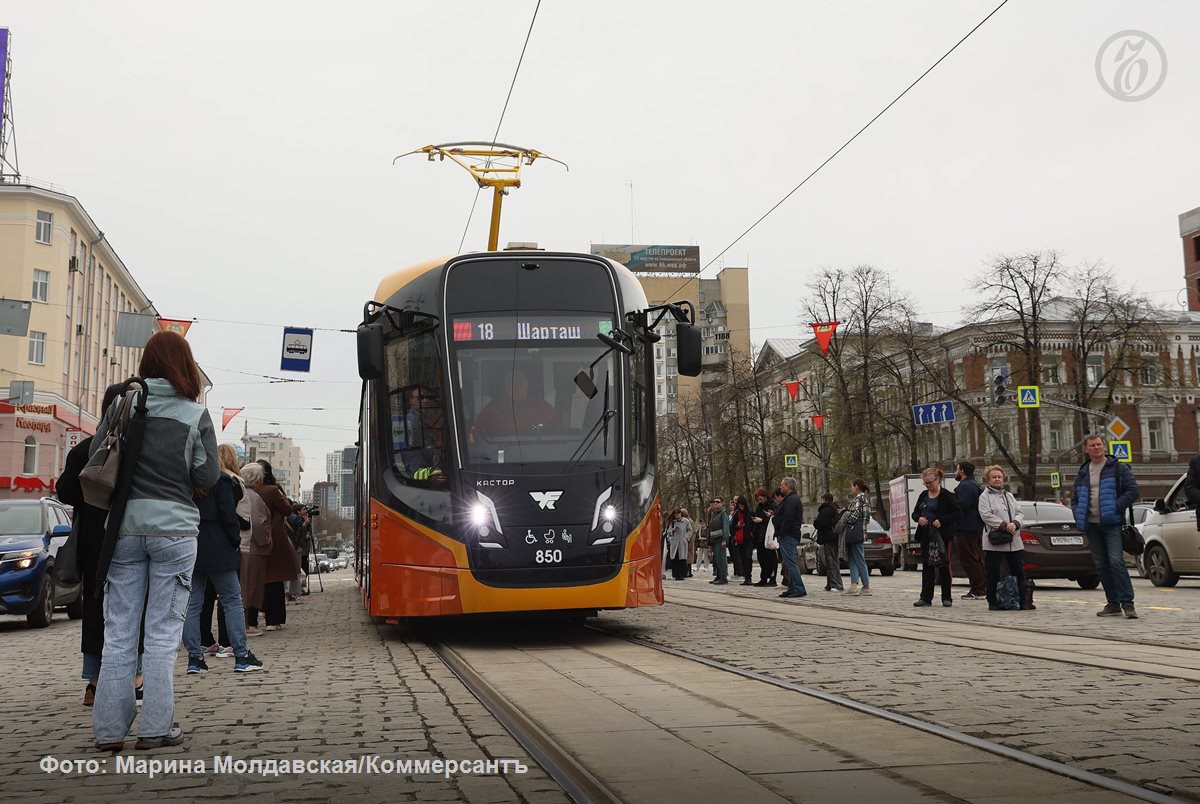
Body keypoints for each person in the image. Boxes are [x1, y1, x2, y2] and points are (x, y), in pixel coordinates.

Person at [92, 330, 218, 751]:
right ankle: (155, 729)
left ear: (147, 362)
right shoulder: (193, 414)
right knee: (163, 635)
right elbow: (206, 476)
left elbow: (99, 456)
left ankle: (109, 732)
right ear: (185, 366)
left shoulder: (120, 406)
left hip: (124, 529)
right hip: (175, 531)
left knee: (119, 632)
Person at [56, 383, 143, 707]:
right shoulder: (139, 449)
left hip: (94, 538)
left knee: (95, 608)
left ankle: (93, 682)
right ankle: (135, 676)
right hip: (129, 533)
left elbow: (65, 492)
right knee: (134, 605)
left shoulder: (87, 449)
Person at [183, 448, 263, 675]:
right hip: (219, 546)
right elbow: (228, 515)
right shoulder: (222, 481)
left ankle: (195, 658)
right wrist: (234, 540)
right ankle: (241, 655)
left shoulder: (187, 482)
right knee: (231, 601)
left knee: (192, 603)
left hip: (192, 545)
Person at [1073, 434, 1139, 619]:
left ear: (1104, 446)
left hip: (1111, 524)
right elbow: (1075, 497)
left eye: (1099, 444)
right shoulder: (1084, 471)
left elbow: (1133, 491)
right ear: (1086, 449)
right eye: (1092, 445)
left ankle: (1128, 604)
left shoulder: (1118, 468)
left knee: (1116, 562)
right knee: (1102, 566)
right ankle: (1113, 603)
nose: (1096, 448)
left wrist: (1115, 507)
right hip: (1091, 525)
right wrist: (1077, 511)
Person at [256, 459, 301, 631]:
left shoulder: (250, 490)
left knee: (261, 577)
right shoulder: (273, 490)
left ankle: (259, 614)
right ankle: (274, 619)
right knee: (275, 578)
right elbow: (287, 510)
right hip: (275, 536)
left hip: (254, 536)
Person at [978, 465, 1026, 610]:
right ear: (988, 480)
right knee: (993, 572)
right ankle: (993, 601)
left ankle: (1022, 599)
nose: (997, 479)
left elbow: (1019, 511)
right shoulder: (984, 497)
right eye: (994, 477)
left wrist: (1015, 523)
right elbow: (986, 515)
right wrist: (1004, 525)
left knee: (1018, 570)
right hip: (996, 539)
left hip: (1013, 539)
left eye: (999, 477)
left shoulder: (1009, 495)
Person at [912, 467, 961, 608]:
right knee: (927, 566)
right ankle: (925, 597)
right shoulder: (923, 495)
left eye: (930, 482)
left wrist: (942, 520)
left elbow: (957, 513)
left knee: (943, 565)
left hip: (942, 535)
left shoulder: (946, 496)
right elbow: (915, 513)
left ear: (938, 480)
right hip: (926, 534)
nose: (928, 485)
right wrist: (919, 518)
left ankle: (947, 597)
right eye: (925, 483)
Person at [239, 462, 272, 637]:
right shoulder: (254, 497)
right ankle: (249, 624)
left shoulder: (242, 493)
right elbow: (259, 523)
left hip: (245, 546)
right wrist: (265, 540)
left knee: (245, 585)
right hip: (253, 548)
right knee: (252, 587)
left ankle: (246, 622)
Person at [473, 368, 559, 435]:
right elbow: (477, 436)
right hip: (501, 454)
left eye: (520, 382)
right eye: (513, 383)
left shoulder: (543, 407)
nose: (517, 387)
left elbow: (559, 435)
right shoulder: (493, 409)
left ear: (527, 384)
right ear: (506, 386)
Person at [954, 462, 987, 600]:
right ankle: (979, 588)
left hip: (967, 527)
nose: (956, 472)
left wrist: (951, 502)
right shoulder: (974, 484)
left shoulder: (966, 486)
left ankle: (978, 589)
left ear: (961, 471)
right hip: (974, 527)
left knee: (970, 559)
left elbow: (961, 506)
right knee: (975, 558)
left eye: (957, 469)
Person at [774, 477, 807, 599]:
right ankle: (792, 587)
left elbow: (788, 518)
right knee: (788, 563)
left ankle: (799, 588)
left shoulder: (791, 500)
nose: (780, 487)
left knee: (790, 563)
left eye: (782, 485)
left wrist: (782, 532)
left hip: (789, 535)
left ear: (788, 486)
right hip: (787, 534)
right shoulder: (789, 499)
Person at [844, 481, 872, 596]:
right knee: (853, 559)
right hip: (858, 533)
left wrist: (845, 516)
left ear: (856, 487)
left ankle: (866, 586)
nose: (851, 488)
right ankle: (854, 585)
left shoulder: (860, 499)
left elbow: (854, 516)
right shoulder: (863, 499)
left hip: (855, 533)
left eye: (852, 486)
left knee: (859, 559)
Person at [813, 493, 843, 592]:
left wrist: (816, 522)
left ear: (824, 499)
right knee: (833, 561)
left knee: (831, 562)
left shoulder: (826, 509)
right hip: (835, 537)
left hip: (829, 537)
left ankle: (835, 584)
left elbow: (820, 523)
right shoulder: (835, 508)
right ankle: (830, 584)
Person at [751, 487, 778, 586]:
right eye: (758, 499)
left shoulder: (772, 505)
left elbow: (773, 519)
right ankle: (763, 577)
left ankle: (772, 578)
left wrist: (762, 520)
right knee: (762, 559)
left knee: (771, 559)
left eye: (761, 499)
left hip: (768, 536)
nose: (760, 501)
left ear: (765, 497)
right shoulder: (759, 507)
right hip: (760, 536)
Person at [730, 496, 756, 585]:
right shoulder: (736, 515)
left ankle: (749, 577)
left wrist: (752, 532)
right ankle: (746, 577)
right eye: (739, 505)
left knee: (748, 557)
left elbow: (754, 524)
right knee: (743, 558)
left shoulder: (750, 513)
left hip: (748, 539)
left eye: (742, 504)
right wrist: (737, 526)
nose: (741, 506)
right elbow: (732, 527)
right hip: (740, 539)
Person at [705, 498, 730, 585]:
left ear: (722, 503)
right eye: (714, 502)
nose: (715, 503)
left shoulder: (723, 514)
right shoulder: (713, 514)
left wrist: (724, 539)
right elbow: (710, 526)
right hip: (714, 539)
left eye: (718, 502)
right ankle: (719, 576)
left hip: (720, 539)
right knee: (716, 559)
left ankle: (723, 577)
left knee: (721, 558)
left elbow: (725, 527)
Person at [665, 508, 692, 580]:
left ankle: (682, 574)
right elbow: (668, 532)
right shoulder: (673, 522)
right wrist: (673, 530)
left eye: (678, 514)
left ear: (681, 513)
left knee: (682, 558)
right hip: (674, 542)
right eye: (676, 514)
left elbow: (690, 530)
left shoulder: (686, 521)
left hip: (682, 542)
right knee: (675, 558)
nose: (677, 516)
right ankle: (676, 574)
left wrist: (686, 538)